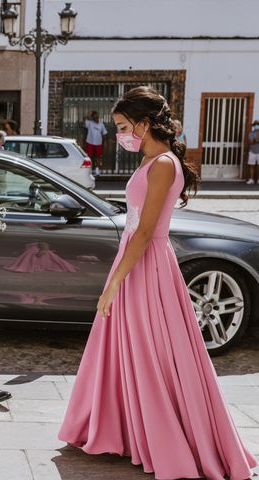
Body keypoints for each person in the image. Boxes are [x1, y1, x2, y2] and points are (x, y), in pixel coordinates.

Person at [59, 86, 257, 480]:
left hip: (146, 266)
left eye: (123, 127)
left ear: (145, 124)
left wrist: (115, 281)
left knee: (153, 351)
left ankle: (166, 438)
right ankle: (132, 431)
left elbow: (147, 232)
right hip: (137, 262)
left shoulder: (163, 164)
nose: (120, 135)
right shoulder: (152, 160)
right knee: (132, 347)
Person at [83, 111, 108, 176]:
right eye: (94, 117)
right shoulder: (90, 123)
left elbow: (104, 133)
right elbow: (84, 119)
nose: (96, 118)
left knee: (98, 157)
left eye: (97, 117)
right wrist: (89, 115)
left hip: (98, 143)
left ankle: (97, 170)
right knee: (89, 156)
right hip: (90, 142)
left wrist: (105, 142)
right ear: (92, 118)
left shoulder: (101, 124)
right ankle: (89, 170)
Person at [246, 120, 259, 185]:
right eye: (255, 124)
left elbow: (254, 141)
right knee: (252, 166)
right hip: (252, 152)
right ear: (254, 126)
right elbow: (251, 142)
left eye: (257, 124)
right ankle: (251, 179)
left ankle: (258, 179)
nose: (256, 125)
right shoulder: (251, 133)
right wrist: (256, 140)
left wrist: (255, 140)